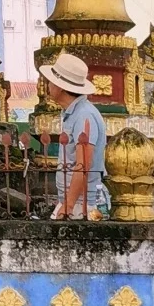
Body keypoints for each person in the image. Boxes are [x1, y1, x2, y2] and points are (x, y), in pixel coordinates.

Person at [38, 51, 110, 220]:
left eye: (51, 81)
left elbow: (82, 166)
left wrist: (68, 206)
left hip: (83, 204)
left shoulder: (84, 116)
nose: (48, 85)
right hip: (74, 201)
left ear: (60, 86)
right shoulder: (74, 113)